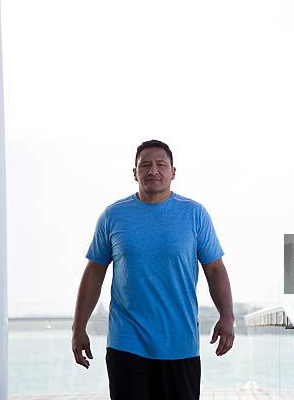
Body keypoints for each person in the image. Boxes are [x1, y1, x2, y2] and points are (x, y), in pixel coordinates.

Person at [71, 139, 234, 400]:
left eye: (161, 164)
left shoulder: (194, 214)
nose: (153, 170)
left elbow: (214, 269)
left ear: (173, 172)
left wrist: (227, 317)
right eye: (145, 165)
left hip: (180, 344)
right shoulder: (113, 216)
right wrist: (78, 328)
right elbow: (94, 272)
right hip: (127, 342)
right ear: (134, 173)